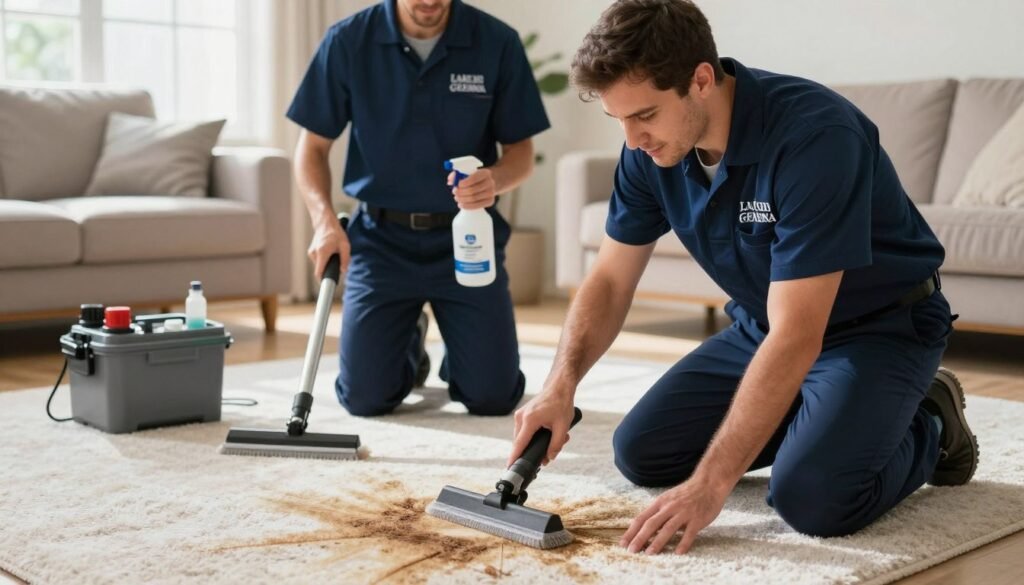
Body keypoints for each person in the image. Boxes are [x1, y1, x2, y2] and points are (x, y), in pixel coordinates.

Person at [509, 0, 977, 555]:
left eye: (646, 115)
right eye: (620, 120)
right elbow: (610, 280)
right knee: (643, 453)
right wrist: (560, 386)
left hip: (878, 330)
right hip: (762, 327)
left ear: (701, 79)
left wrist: (712, 485)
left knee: (812, 499)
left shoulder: (816, 138)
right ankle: (822, 419)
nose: (633, 140)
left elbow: (799, 331)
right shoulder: (649, 151)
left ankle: (932, 421)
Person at [287, 0, 549, 416]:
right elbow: (311, 149)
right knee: (365, 399)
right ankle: (410, 339)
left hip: (467, 240)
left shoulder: (497, 42)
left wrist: (494, 180)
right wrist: (323, 222)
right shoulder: (348, 41)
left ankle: (459, 346)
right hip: (380, 242)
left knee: (493, 397)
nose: (429, 2)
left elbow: (521, 151)